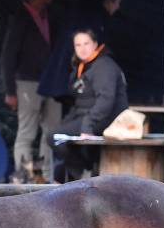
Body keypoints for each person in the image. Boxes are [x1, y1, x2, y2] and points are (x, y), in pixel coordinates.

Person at [1, 0, 59, 181]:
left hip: (50, 83)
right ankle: (23, 178)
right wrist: (10, 91)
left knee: (51, 132)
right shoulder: (21, 16)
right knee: (27, 132)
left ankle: (46, 177)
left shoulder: (49, 15)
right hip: (26, 83)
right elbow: (8, 55)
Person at [51, 28, 130, 182]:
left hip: (108, 118)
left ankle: (83, 172)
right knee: (58, 135)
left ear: (95, 44)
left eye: (86, 43)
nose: (82, 48)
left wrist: (88, 125)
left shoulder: (104, 66)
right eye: (78, 45)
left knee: (54, 137)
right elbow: (79, 100)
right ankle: (80, 173)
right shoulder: (82, 66)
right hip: (86, 116)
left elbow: (105, 101)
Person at [38, 0, 123, 101]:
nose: (118, 7)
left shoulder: (84, 12)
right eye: (118, 2)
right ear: (109, 1)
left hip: (60, 80)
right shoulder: (93, 19)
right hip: (71, 82)